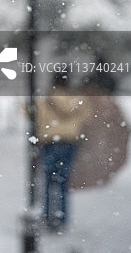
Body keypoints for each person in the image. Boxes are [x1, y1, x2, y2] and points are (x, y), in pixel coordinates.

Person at [36, 72, 91, 231]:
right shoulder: (78, 100)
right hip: (69, 144)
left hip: (50, 143)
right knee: (63, 182)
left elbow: (30, 113)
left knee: (47, 182)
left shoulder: (46, 101)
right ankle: (62, 218)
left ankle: (47, 216)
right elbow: (87, 116)